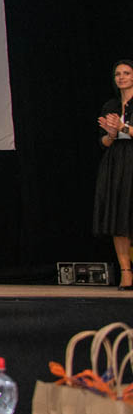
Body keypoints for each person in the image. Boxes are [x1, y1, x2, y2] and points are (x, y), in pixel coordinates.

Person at [94, 58, 133, 290]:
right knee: (119, 217)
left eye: (126, 73)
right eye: (118, 74)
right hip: (117, 163)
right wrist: (110, 134)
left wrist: (122, 128)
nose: (121, 77)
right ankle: (126, 272)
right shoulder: (111, 105)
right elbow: (103, 143)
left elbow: (126, 131)